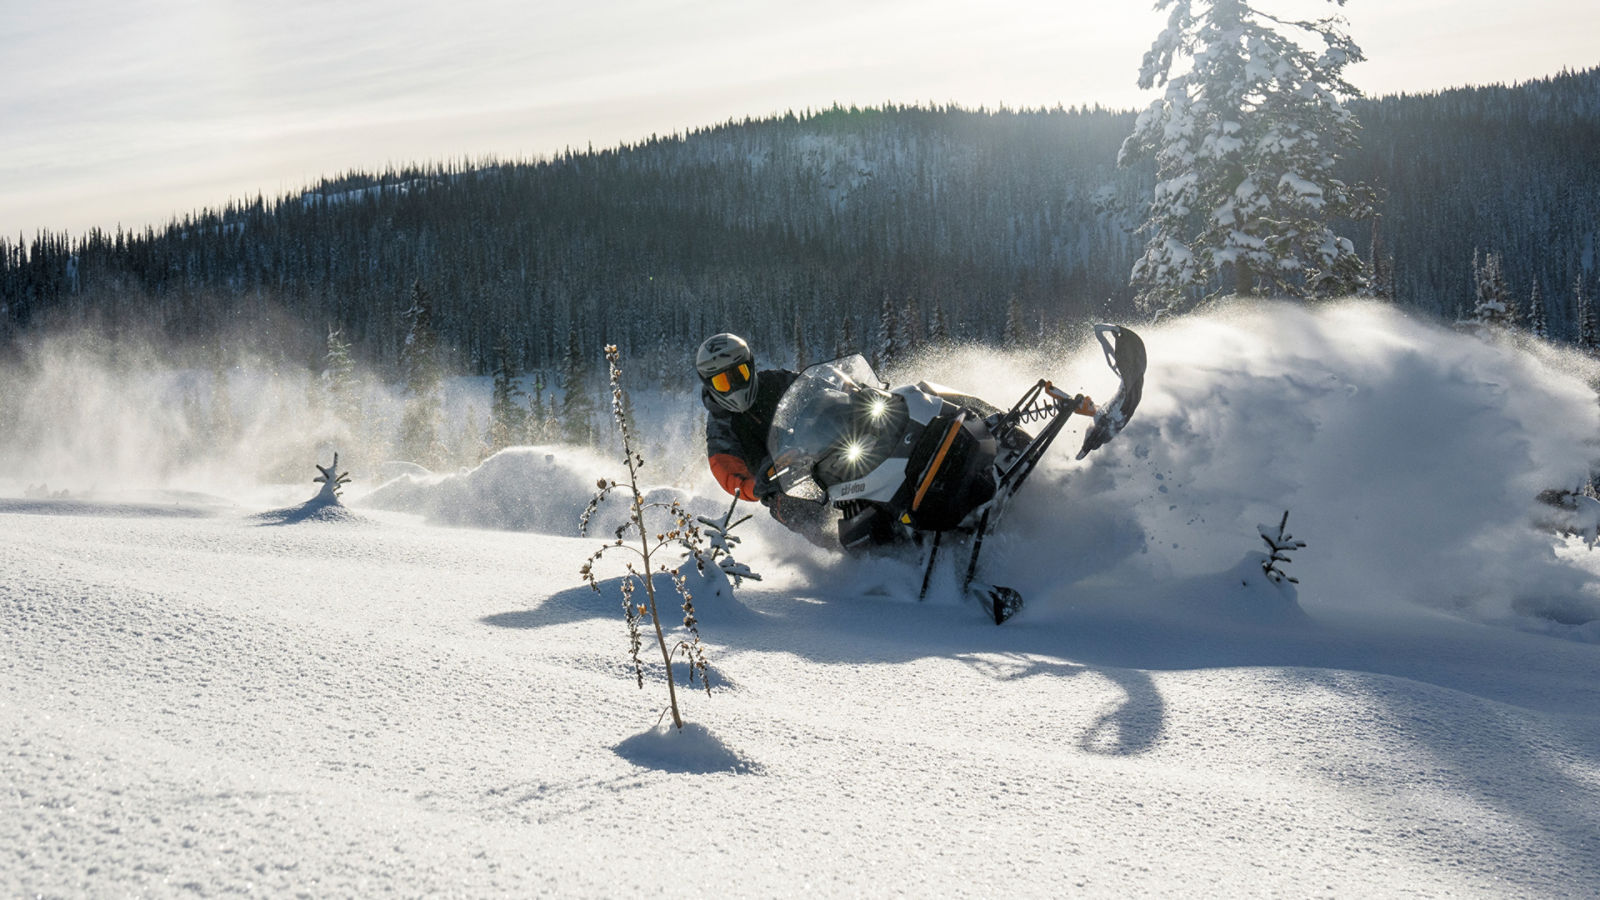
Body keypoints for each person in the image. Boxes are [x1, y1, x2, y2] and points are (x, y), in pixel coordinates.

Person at [696, 332, 835, 549]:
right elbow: (727, 471)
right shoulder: (721, 427)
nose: (734, 386)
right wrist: (756, 485)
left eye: (739, 374)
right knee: (789, 507)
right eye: (723, 382)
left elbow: (818, 388)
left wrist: (854, 393)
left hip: (821, 450)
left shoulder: (776, 381)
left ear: (750, 366)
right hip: (783, 482)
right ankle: (842, 552)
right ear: (710, 385)